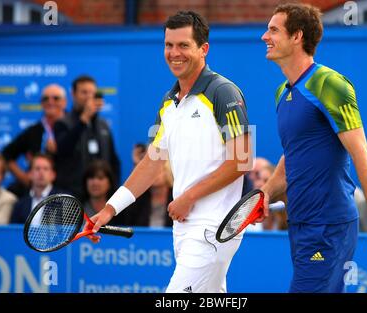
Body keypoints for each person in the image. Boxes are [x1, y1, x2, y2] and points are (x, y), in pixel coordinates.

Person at [88, 11, 252, 293]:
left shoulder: (224, 92)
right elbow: (152, 162)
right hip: (185, 230)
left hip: (214, 229)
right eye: (169, 45)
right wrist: (109, 209)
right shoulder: (168, 102)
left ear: (204, 49)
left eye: (183, 45)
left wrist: (188, 197)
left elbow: (241, 161)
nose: (174, 53)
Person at [260, 3, 367, 293]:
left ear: (297, 36)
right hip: (300, 222)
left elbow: (361, 152)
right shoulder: (282, 93)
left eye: (273, 30)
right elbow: (293, 155)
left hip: (329, 225)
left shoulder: (330, 84)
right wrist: (266, 194)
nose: (264, 37)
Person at [53, 75, 121, 200]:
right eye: (84, 92)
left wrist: (113, 190)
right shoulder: (62, 123)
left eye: (92, 93)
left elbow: (113, 159)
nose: (89, 97)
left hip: (102, 197)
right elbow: (63, 150)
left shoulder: (103, 124)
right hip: (73, 194)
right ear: (73, 94)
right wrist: (84, 118)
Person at [2, 84, 66, 197]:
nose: (50, 102)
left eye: (56, 98)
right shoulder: (34, 130)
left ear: (64, 102)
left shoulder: (74, 127)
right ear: (41, 103)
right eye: (45, 98)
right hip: (36, 192)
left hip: (67, 190)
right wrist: (24, 177)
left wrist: (60, 148)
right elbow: (7, 154)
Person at [10, 153, 62, 224]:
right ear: (29, 174)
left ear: (53, 175)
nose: (41, 172)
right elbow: (13, 231)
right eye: (37, 169)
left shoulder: (64, 200)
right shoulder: (20, 204)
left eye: (45, 169)